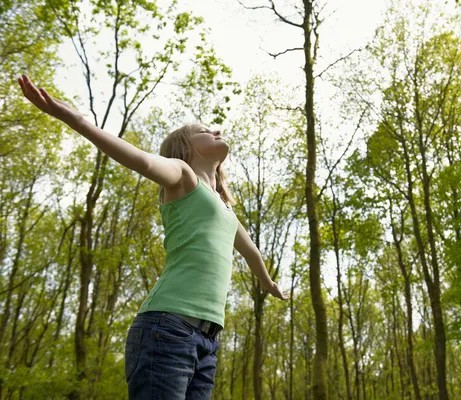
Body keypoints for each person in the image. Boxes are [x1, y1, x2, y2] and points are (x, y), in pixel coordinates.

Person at [17, 74, 289, 399]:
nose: (216, 131)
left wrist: (267, 282)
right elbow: (143, 160)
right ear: (186, 148)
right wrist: (76, 120)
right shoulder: (183, 176)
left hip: (208, 341)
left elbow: (250, 252)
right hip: (167, 328)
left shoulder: (224, 210)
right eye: (205, 131)